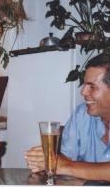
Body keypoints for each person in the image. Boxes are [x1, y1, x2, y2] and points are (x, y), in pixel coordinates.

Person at [25, 52, 110, 181]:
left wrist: (66, 166)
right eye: (84, 84)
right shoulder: (82, 115)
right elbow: (63, 159)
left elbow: (65, 165)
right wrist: (42, 161)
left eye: (92, 86)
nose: (83, 92)